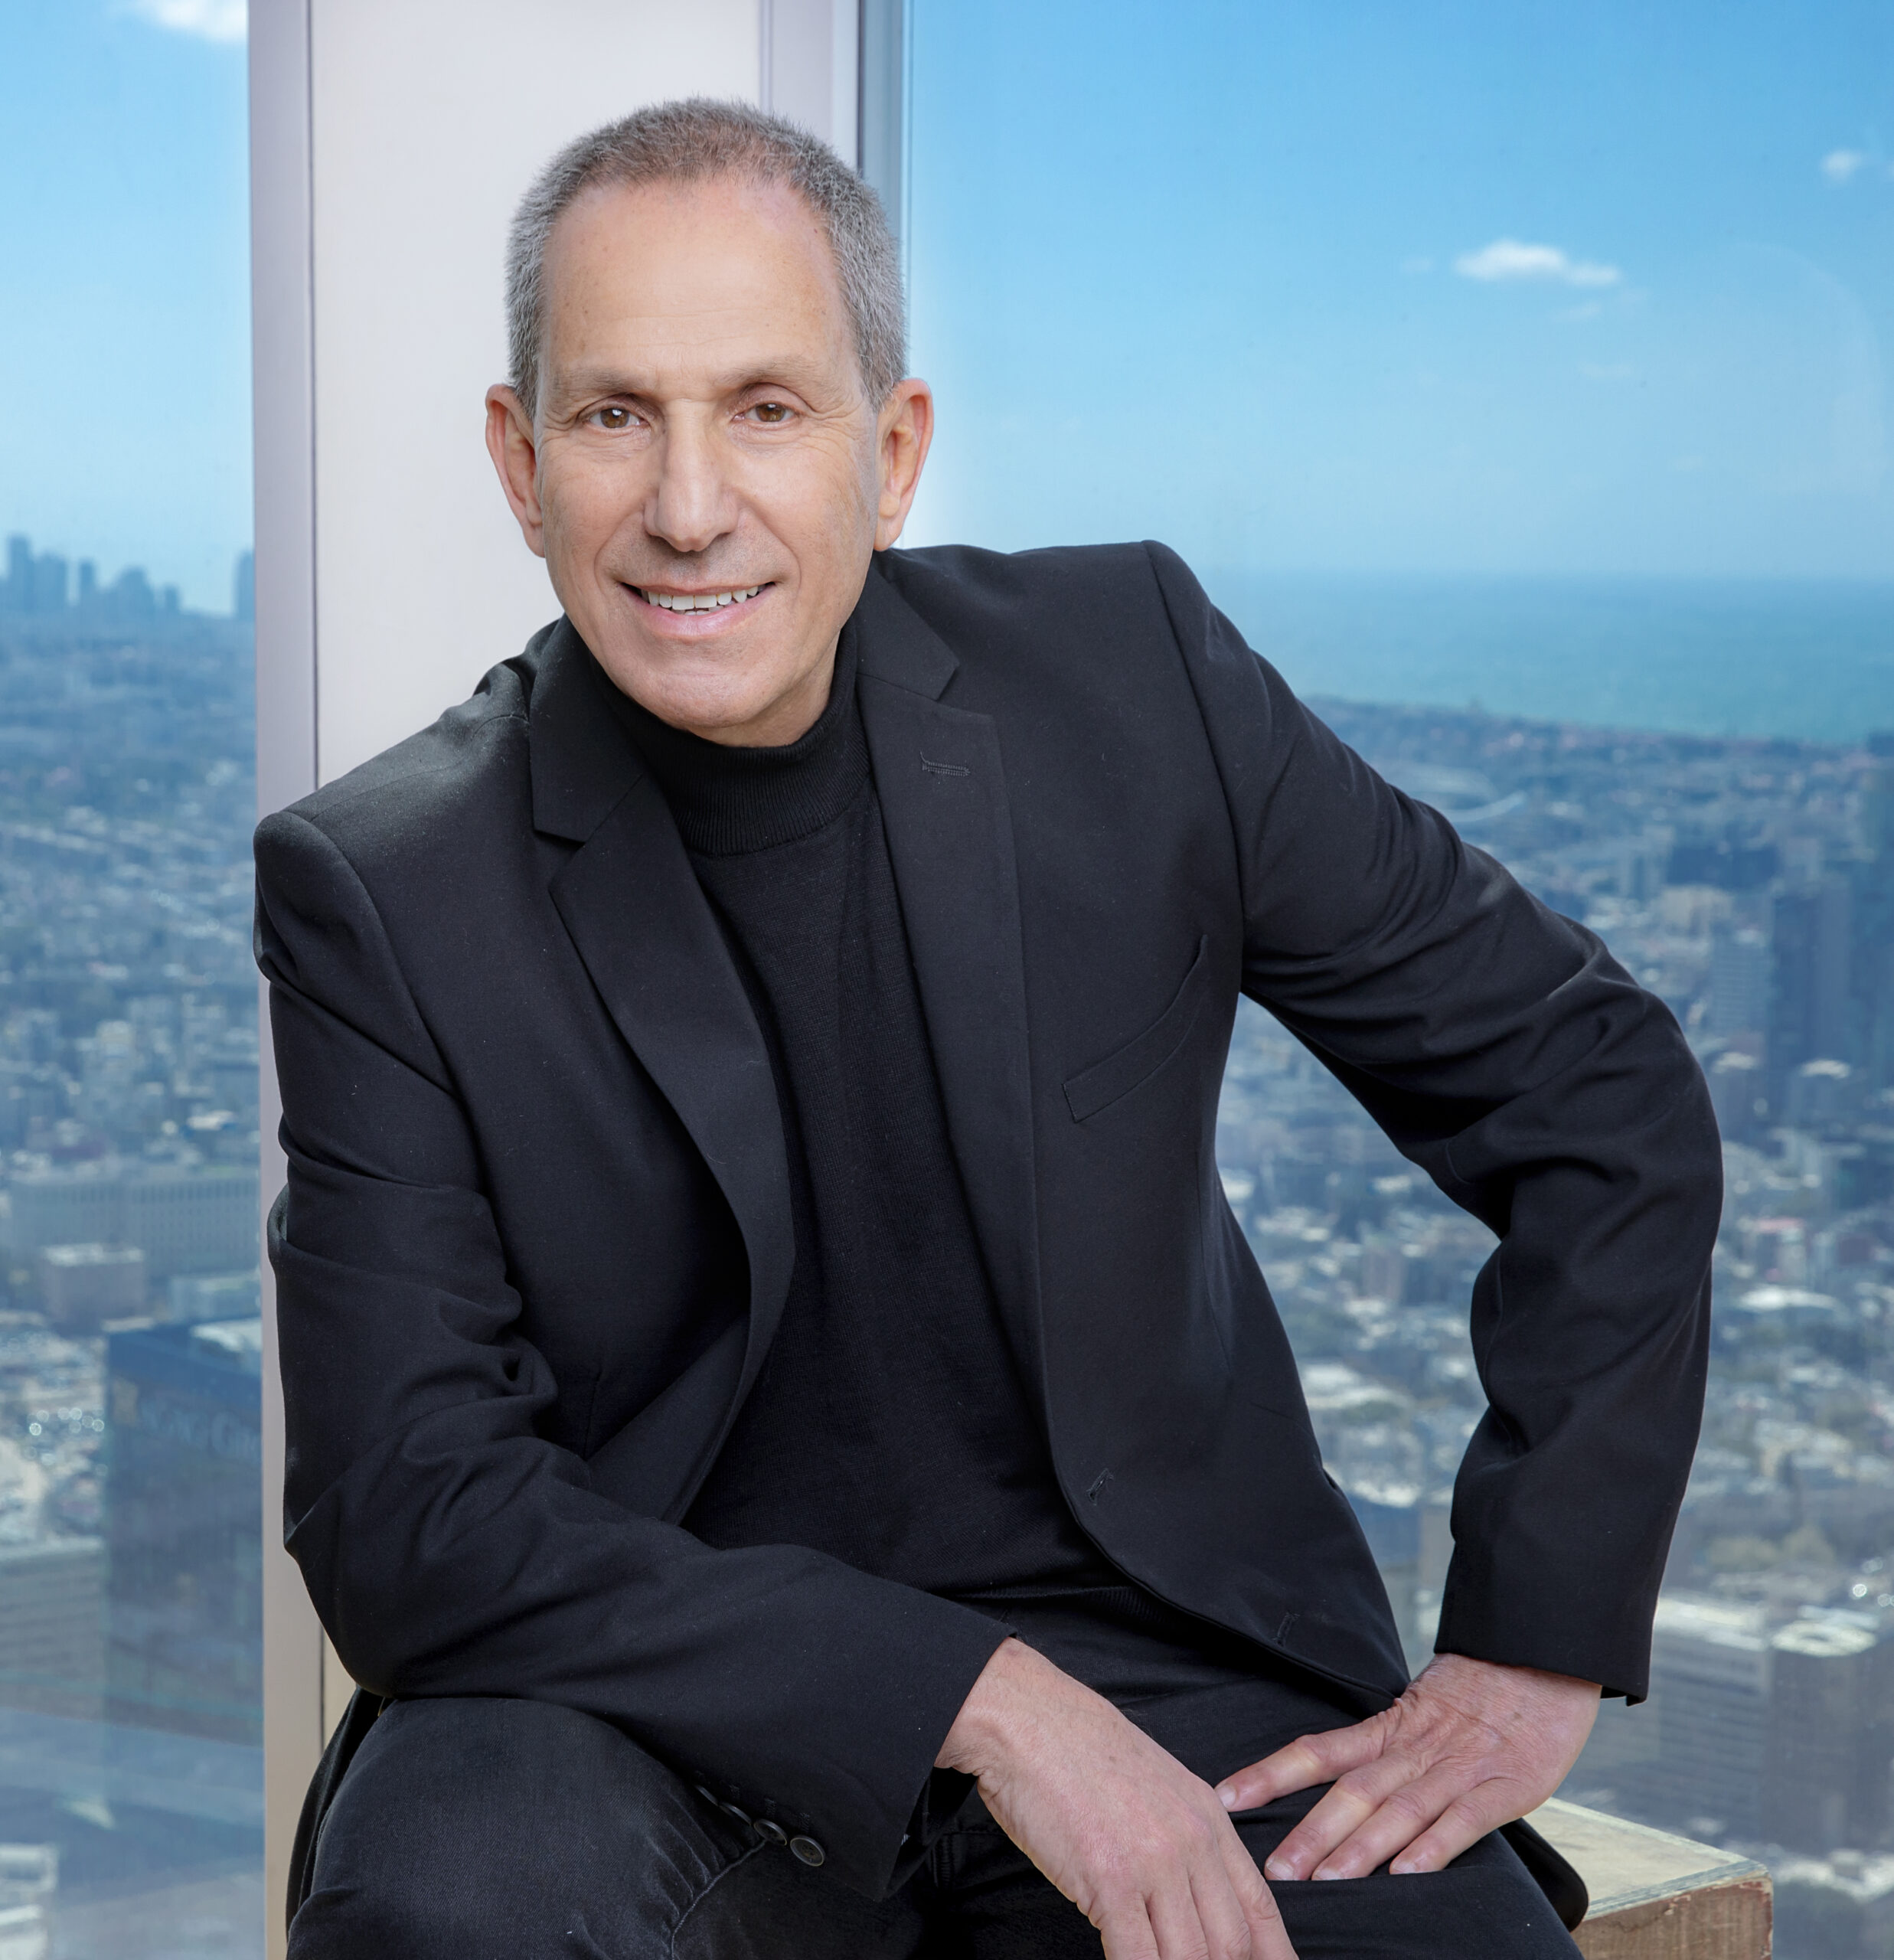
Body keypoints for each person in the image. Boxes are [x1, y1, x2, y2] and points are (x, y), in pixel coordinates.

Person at [259, 99, 1719, 1960]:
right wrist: (979, 1697)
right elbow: (408, 1507)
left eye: (765, 408)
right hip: (645, 1721)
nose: (688, 505)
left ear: (891, 452)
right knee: (451, 1901)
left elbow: (1593, 1086)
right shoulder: (385, 884)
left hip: (1182, 1685)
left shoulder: (1134, 680)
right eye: (616, 413)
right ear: (519, 460)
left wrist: (1534, 1637)